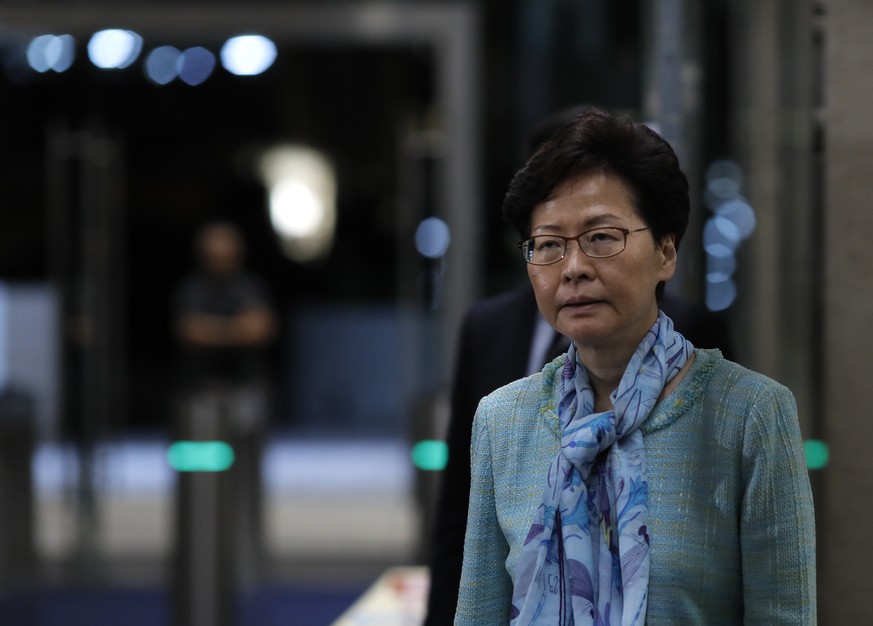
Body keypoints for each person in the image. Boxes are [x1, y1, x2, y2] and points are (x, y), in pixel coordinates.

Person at [454, 109, 815, 624]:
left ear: (666, 252)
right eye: (549, 245)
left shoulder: (749, 416)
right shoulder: (503, 420)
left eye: (602, 237)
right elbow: (478, 613)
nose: (574, 267)